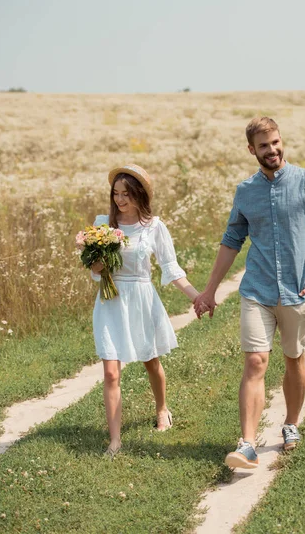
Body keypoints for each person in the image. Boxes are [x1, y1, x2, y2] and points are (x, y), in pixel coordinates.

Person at [194, 117, 305, 469]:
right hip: (257, 290)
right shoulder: (246, 191)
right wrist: (210, 290)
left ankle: (290, 424)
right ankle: (247, 443)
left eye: (275, 142)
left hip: (297, 290)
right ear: (252, 150)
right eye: (264, 146)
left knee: (294, 359)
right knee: (255, 361)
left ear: (281, 141)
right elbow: (232, 240)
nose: (272, 150)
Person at [91, 164, 200, 457]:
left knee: (151, 361)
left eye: (126, 194)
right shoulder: (103, 224)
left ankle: (162, 407)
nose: (120, 200)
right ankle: (115, 440)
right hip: (110, 301)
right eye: (116, 194)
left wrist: (196, 296)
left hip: (141, 298)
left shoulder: (153, 226)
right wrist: (97, 263)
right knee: (111, 373)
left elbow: (171, 267)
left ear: (139, 194)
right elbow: (95, 270)